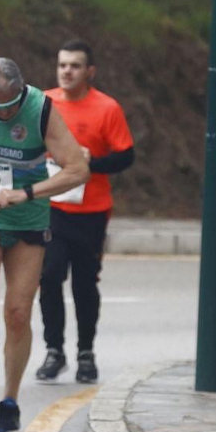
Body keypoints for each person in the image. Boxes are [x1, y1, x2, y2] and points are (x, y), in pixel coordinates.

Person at [0, 57, 87, 432]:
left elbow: (77, 168)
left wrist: (27, 193)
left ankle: (11, 400)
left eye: (9, 106)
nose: (2, 114)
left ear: (22, 91)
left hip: (28, 223)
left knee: (17, 313)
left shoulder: (40, 108)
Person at [36, 40, 136, 385]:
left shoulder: (106, 109)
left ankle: (85, 352)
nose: (67, 71)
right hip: (52, 208)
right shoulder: (45, 103)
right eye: (63, 65)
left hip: (91, 210)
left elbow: (126, 156)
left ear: (89, 71)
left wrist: (91, 163)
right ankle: (54, 350)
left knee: (84, 284)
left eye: (75, 66)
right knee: (49, 277)